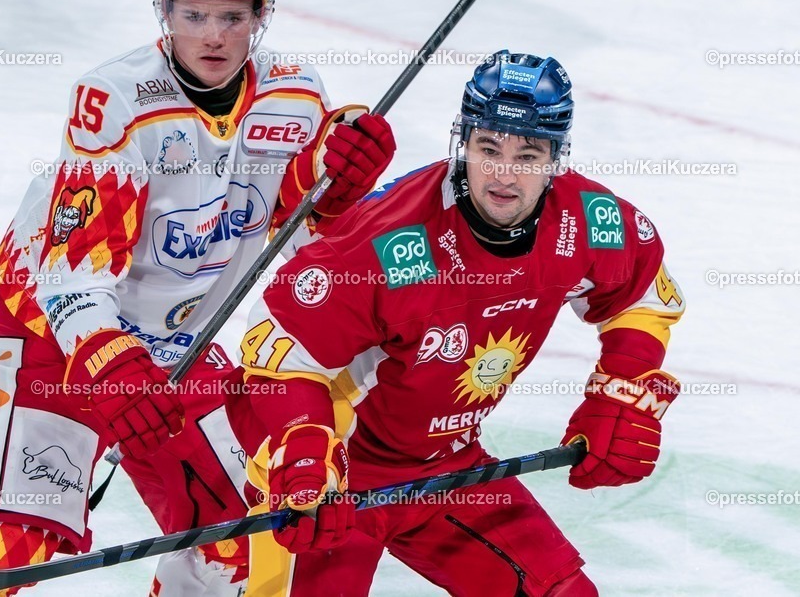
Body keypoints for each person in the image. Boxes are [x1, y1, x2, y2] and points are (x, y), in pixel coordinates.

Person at [0, 0, 395, 596]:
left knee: (234, 538)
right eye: (193, 12)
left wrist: (331, 194)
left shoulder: (296, 97)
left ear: (260, 16)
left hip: (176, 349)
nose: (212, 34)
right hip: (51, 335)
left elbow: (306, 260)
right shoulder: (116, 100)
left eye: (231, 15)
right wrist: (108, 361)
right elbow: (73, 272)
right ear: (164, 10)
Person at [225, 50, 685, 596]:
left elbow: (641, 293)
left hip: (448, 466)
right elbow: (279, 350)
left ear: (556, 158)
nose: (504, 173)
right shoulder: (389, 242)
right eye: (488, 147)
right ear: (462, 143)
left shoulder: (587, 218)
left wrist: (624, 390)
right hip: (339, 474)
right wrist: (303, 449)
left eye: (528, 153)